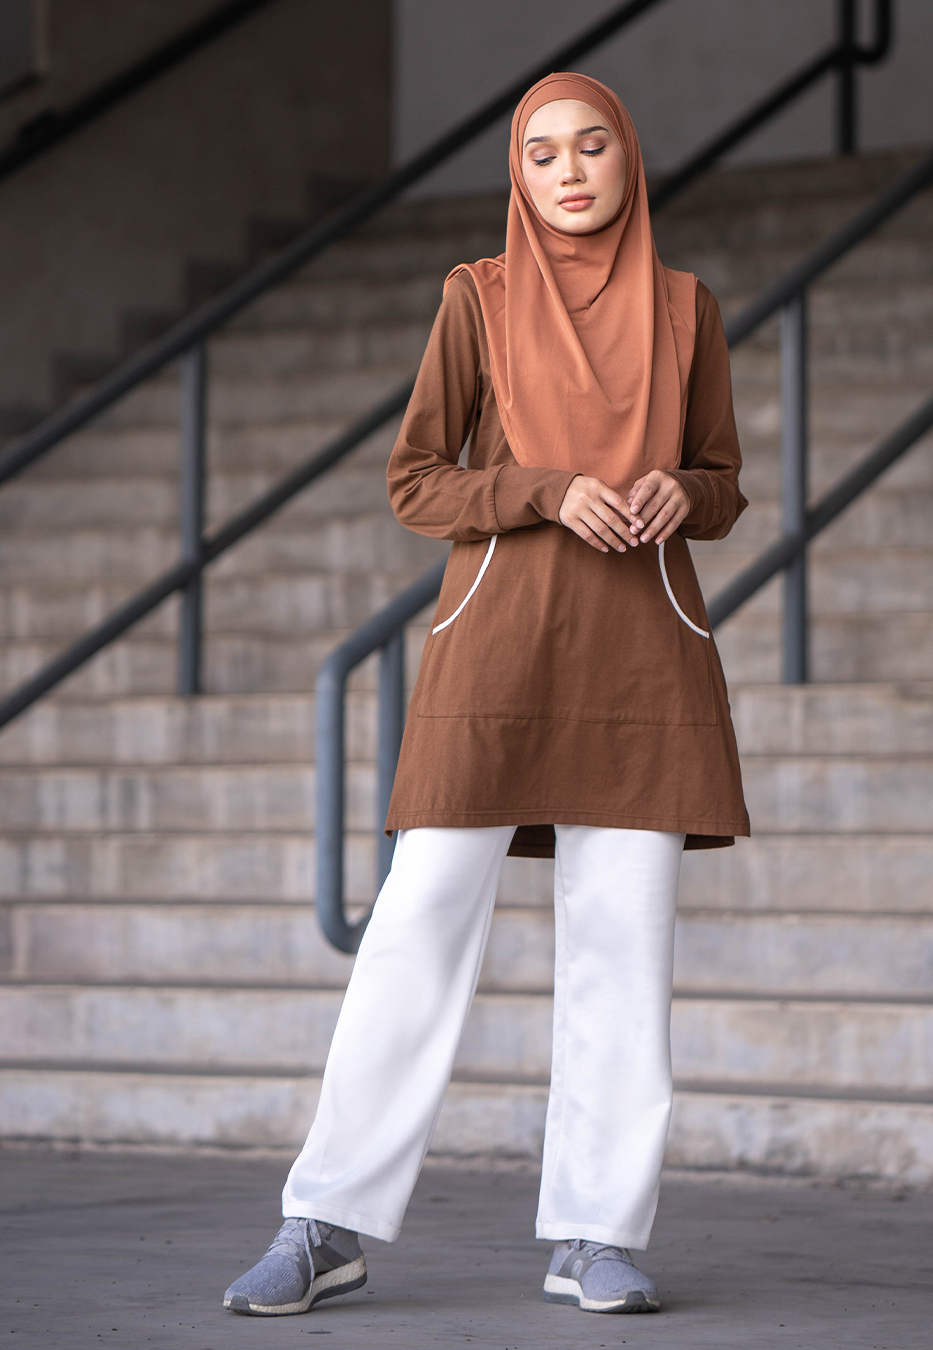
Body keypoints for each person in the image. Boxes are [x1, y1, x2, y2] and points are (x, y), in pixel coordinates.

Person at [223, 71, 748, 1320]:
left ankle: (597, 1234)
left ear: (628, 159)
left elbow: (725, 482)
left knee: (624, 944)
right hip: (497, 647)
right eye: (542, 153)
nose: (568, 172)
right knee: (416, 922)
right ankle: (325, 1221)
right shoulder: (479, 296)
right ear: (518, 174)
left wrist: (682, 491)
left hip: (642, 652)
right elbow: (416, 478)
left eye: (592, 147)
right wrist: (545, 491)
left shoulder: (687, 308)